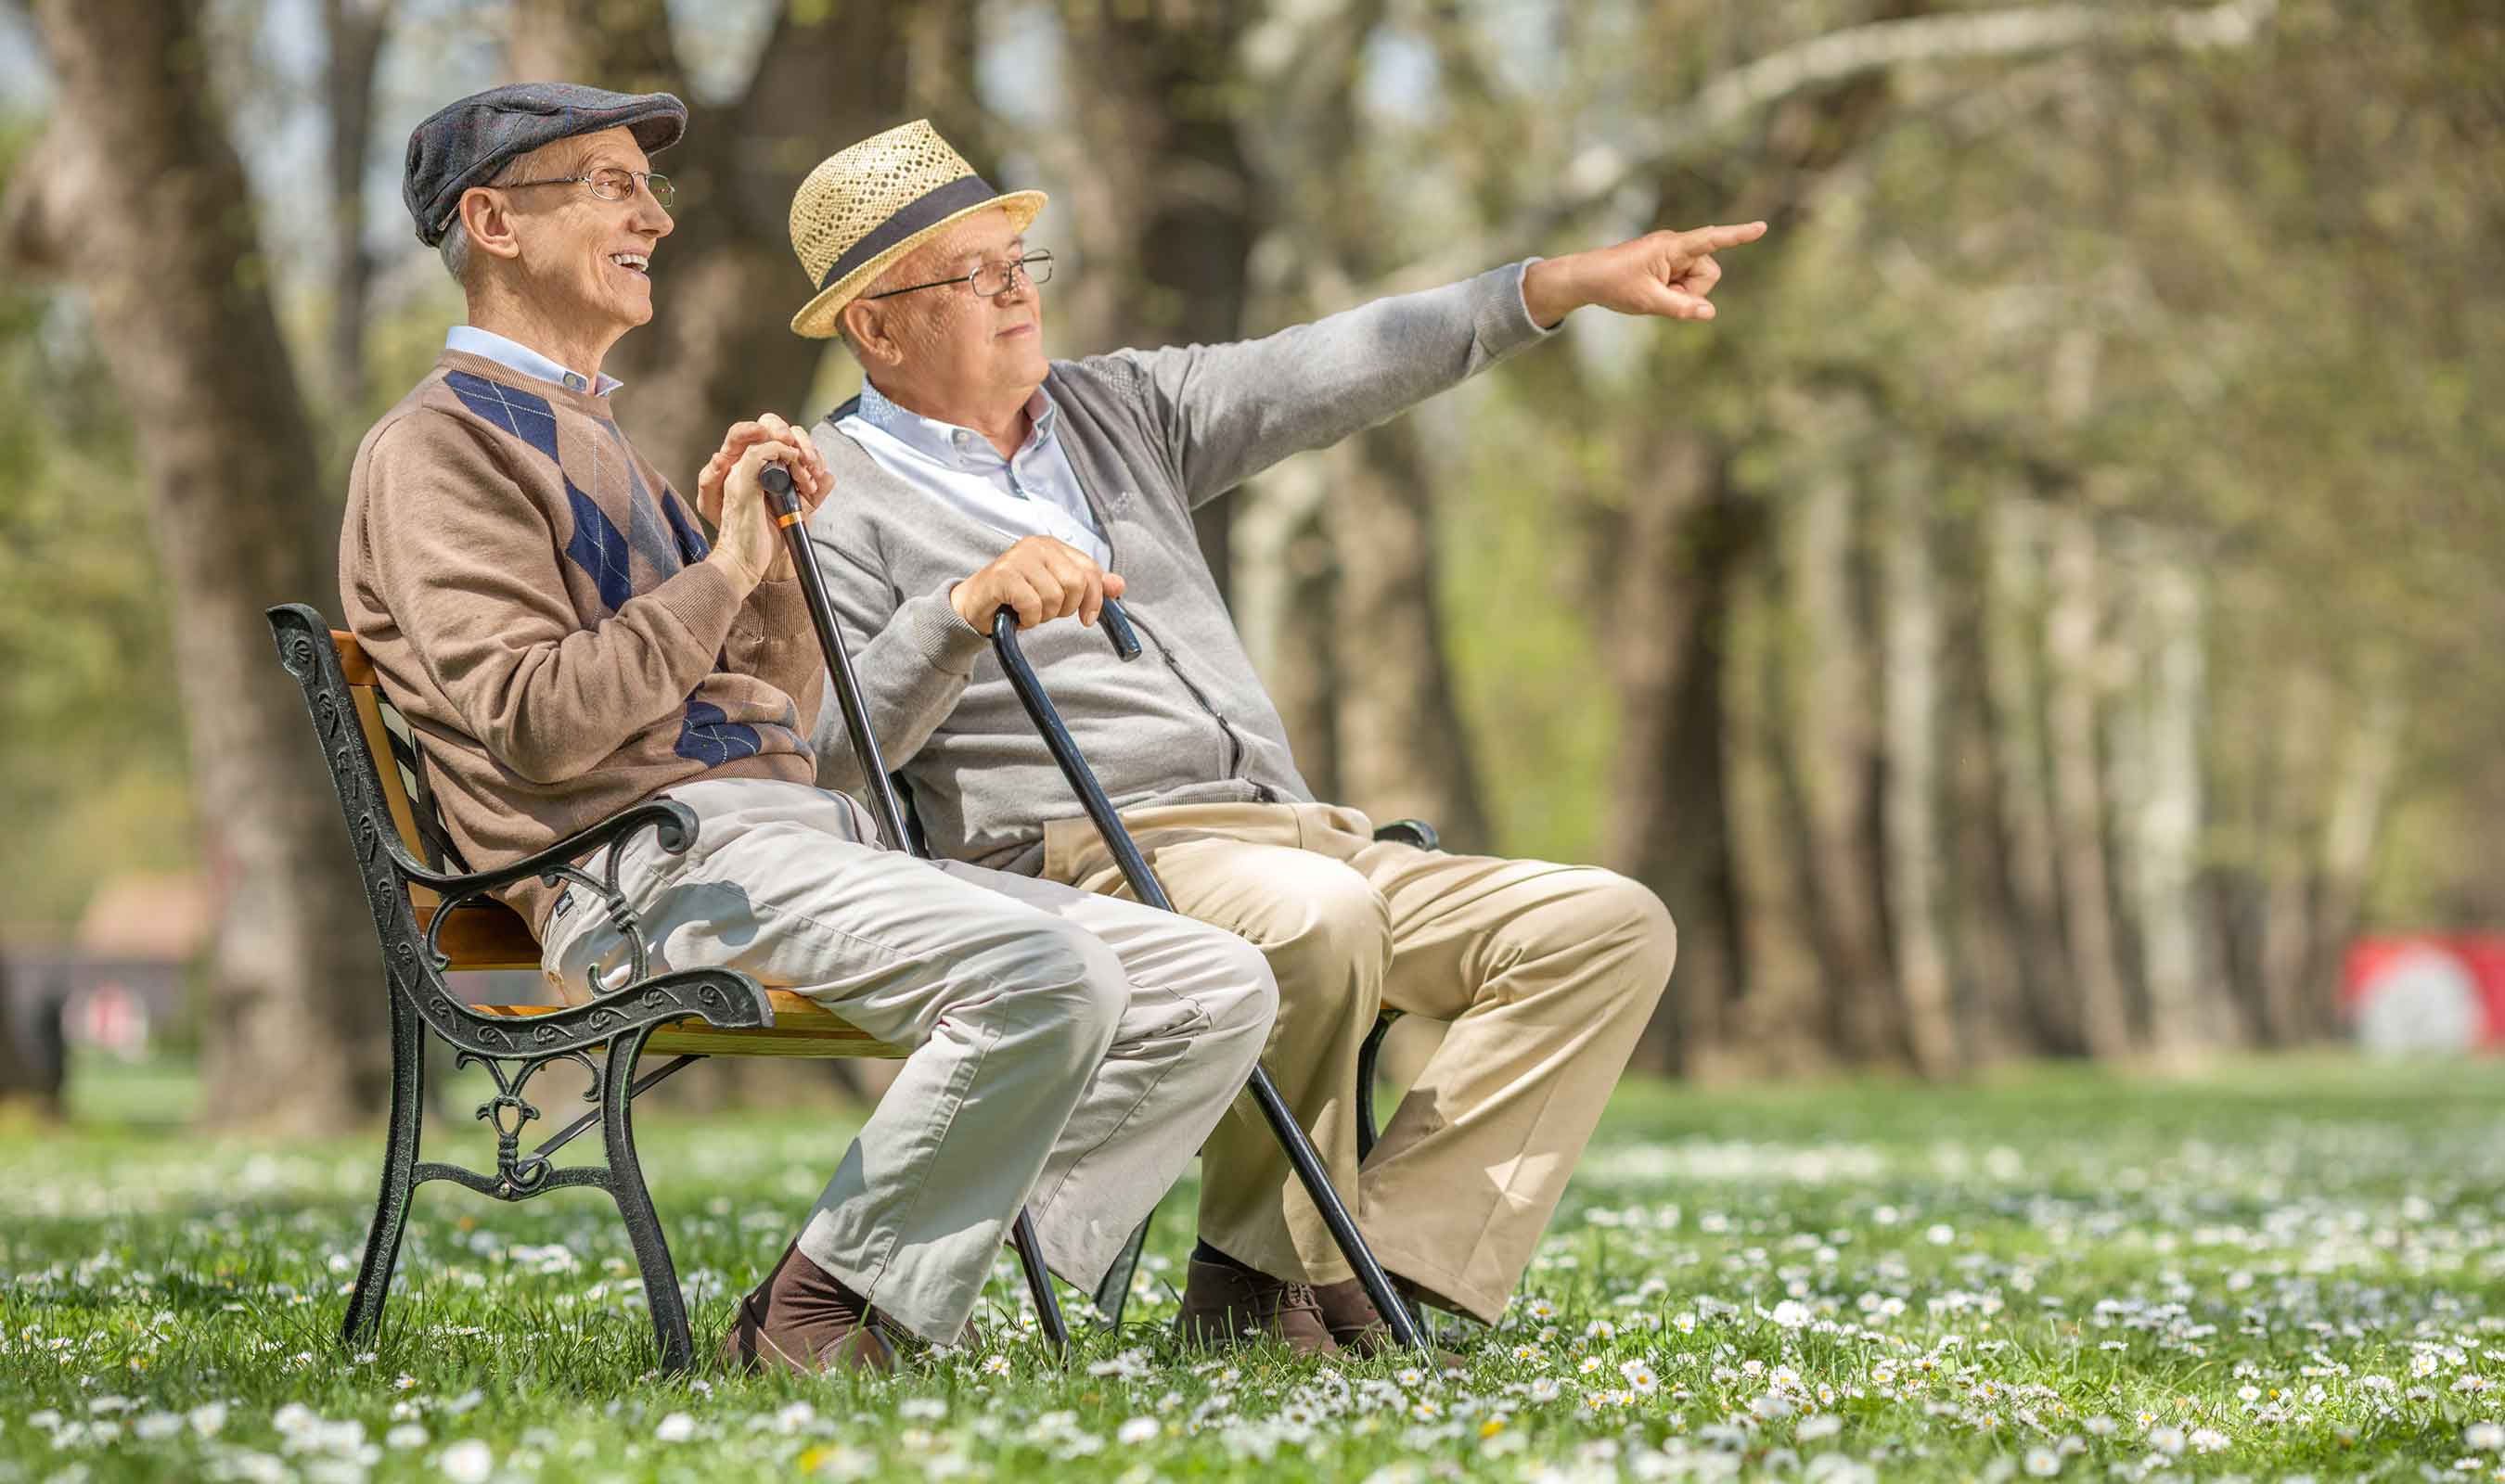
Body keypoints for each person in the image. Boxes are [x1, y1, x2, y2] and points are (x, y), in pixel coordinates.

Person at [340, 84, 1277, 1376]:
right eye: (612, 186)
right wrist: (719, 571)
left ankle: (954, 1292)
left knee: (1216, 983)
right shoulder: (438, 451)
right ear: (493, 222)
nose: (655, 218)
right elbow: (538, 727)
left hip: (780, 846)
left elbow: (770, 718)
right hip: (636, 879)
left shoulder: (602, 438)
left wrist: (765, 565)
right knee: (1048, 975)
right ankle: (814, 1322)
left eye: (646, 189)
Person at [790, 121, 1755, 1353]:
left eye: (1022, 264)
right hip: (1088, 859)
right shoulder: (827, 492)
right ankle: (1260, 1284)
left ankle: (1383, 1269)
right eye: (976, 277)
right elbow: (825, 752)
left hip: (1298, 833)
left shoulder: (1116, 409)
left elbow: (1334, 364)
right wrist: (959, 614)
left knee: (1607, 926)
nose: (1020, 296)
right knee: (1315, 913)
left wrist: (1555, 287)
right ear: (878, 325)